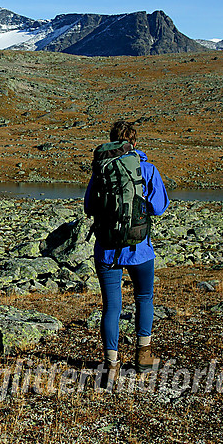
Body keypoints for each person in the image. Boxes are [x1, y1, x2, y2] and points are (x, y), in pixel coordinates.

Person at [84, 120, 170, 387]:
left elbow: (89, 207)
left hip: (106, 251)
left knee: (111, 306)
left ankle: (111, 366)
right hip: (140, 250)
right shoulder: (147, 169)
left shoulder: (101, 170)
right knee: (144, 297)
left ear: (111, 141)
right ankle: (143, 358)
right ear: (134, 143)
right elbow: (159, 207)